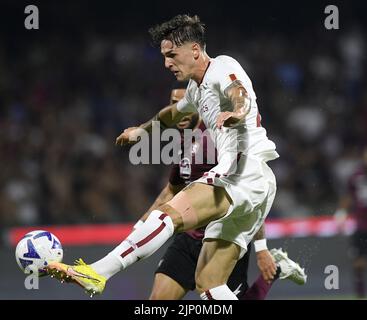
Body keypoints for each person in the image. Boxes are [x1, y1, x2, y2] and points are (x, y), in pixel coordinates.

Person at [47, 14, 300, 300]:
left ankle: (97, 273)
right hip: (255, 185)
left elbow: (239, 94)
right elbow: (172, 114)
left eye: (172, 55)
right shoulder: (195, 89)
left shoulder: (222, 66)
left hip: (243, 171)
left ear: (194, 50)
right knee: (210, 284)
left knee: (169, 215)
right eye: (164, 57)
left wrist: (237, 112)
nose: (167, 63)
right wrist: (141, 132)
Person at [143, 82, 306, 300]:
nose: (180, 111)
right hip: (189, 239)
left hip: (223, 238)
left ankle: (273, 271)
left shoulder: (223, 141)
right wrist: (139, 230)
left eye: (184, 105)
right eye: (175, 104)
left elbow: (249, 198)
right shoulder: (182, 146)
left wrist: (261, 248)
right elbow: (170, 191)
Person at [334, 147, 367, 298]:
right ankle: (360, 293)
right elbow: (348, 195)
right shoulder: (356, 176)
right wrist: (341, 213)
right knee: (358, 262)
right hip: (361, 225)